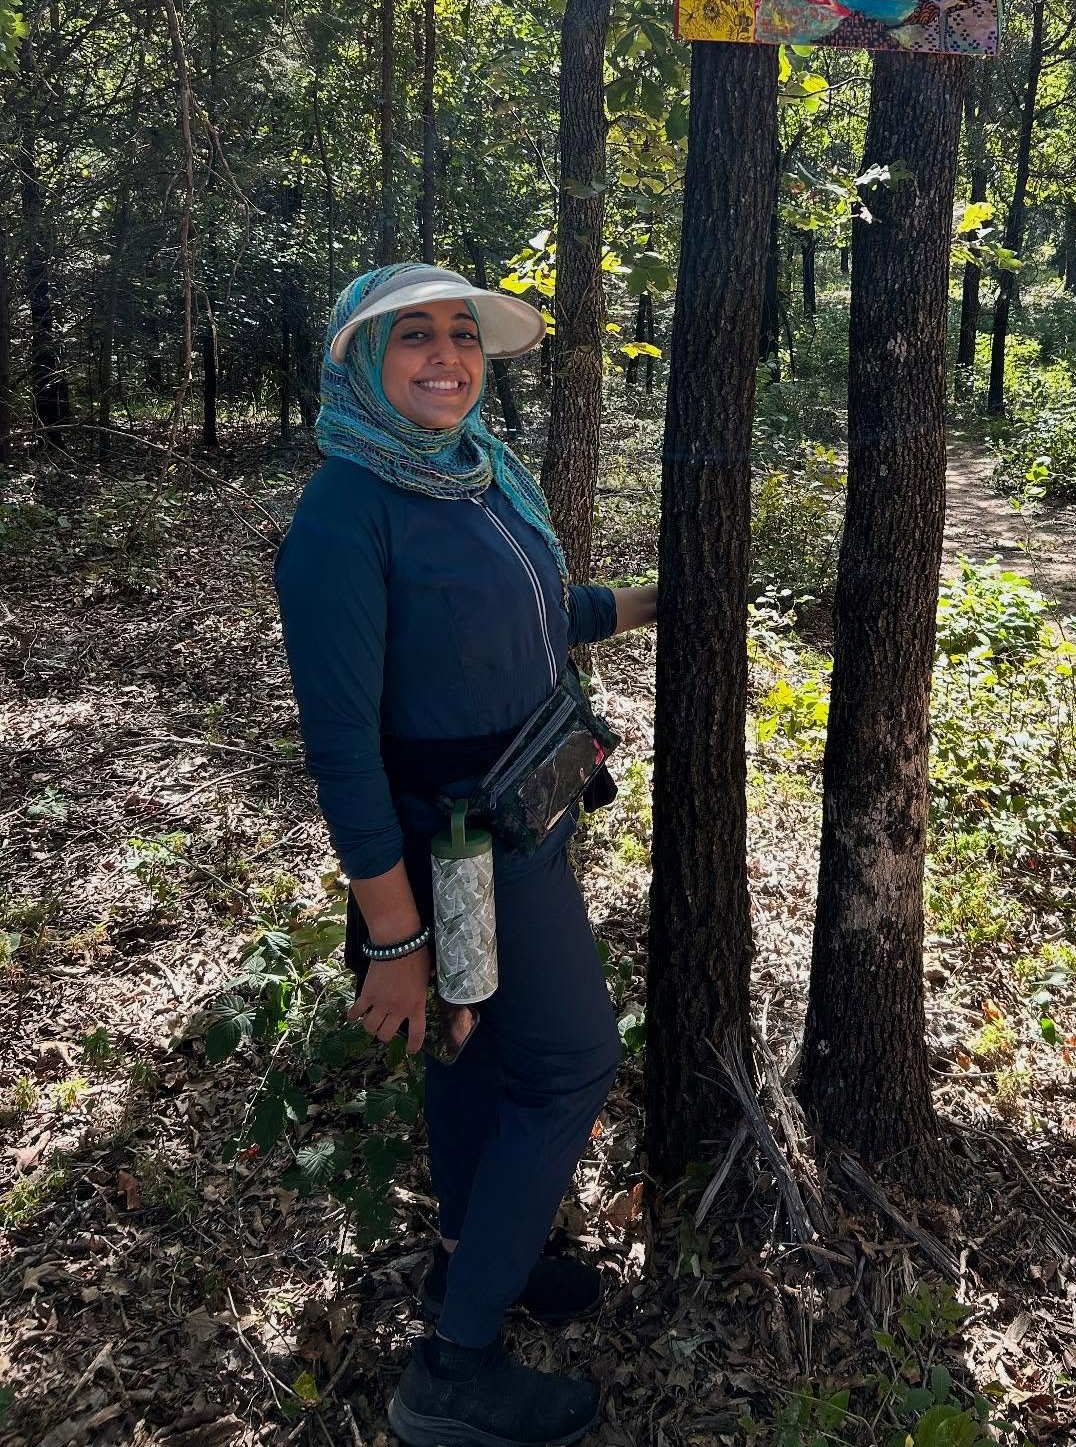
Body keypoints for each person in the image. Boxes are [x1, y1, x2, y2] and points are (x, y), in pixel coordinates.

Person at [274, 263, 657, 1447]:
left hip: (521, 819)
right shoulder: (345, 519)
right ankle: (455, 1367)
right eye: (413, 338)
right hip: (460, 854)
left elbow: (528, 611)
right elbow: (342, 758)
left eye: (461, 335)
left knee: (474, 1051)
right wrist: (393, 939)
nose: (446, 355)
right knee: (571, 1065)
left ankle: (471, 1255)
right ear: (357, 363)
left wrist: (646, 603)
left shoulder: (471, 475)